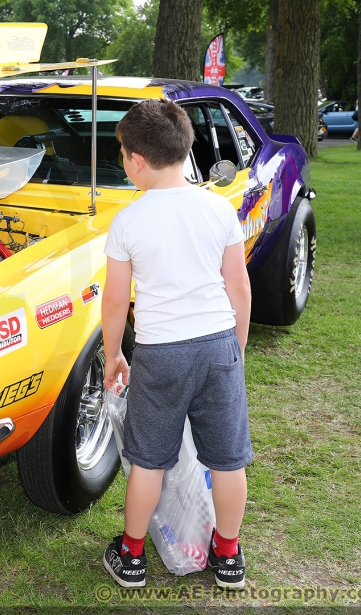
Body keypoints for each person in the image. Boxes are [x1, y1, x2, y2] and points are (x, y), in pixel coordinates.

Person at [100, 99, 251, 590]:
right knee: (228, 459)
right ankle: (227, 555)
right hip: (216, 345)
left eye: (122, 154)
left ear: (136, 161)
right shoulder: (217, 206)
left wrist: (114, 354)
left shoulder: (128, 222)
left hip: (161, 353)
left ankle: (132, 555)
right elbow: (238, 286)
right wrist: (237, 347)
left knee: (149, 460)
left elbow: (117, 301)